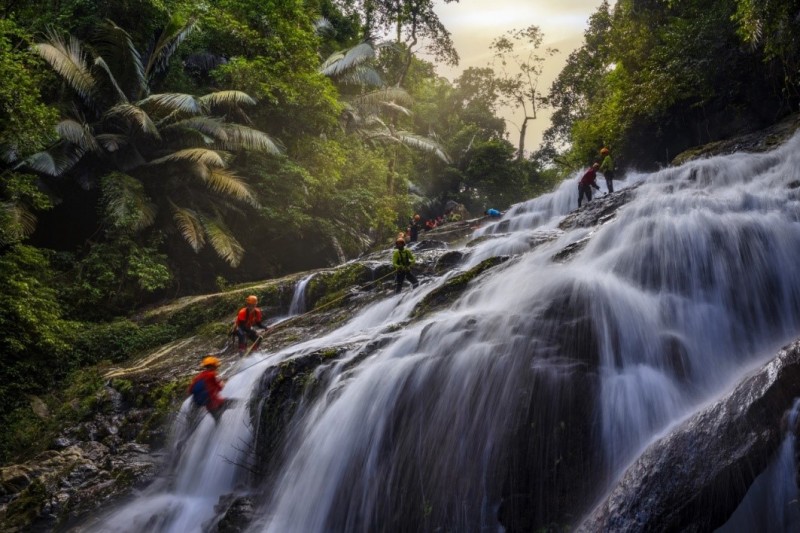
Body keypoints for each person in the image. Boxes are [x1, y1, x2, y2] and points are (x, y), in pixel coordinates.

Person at [188, 355, 229, 423]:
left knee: (218, 422)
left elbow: (190, 390)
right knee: (239, 404)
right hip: (217, 402)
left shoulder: (198, 376)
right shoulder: (212, 375)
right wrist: (223, 382)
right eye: (216, 366)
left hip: (209, 407)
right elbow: (219, 388)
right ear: (213, 366)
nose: (217, 367)